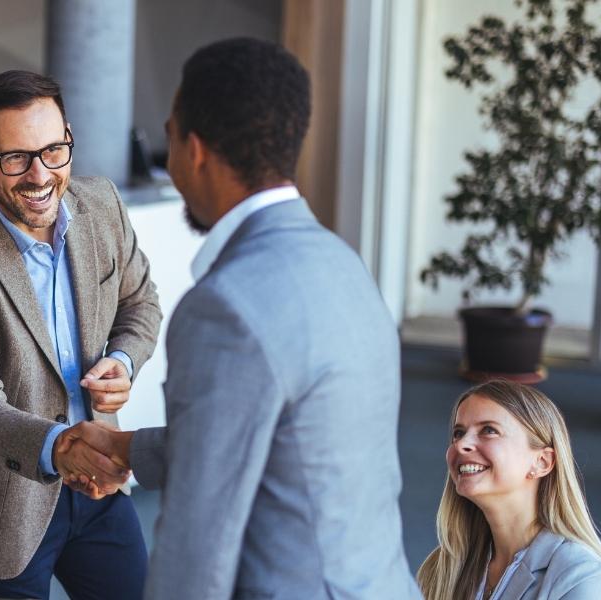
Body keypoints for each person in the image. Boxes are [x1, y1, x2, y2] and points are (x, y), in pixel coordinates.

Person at [59, 38, 421, 598]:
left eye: (171, 135)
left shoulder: (223, 308)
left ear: (196, 150)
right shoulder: (343, 262)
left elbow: (197, 543)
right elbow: (282, 443)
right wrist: (128, 448)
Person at [0, 69, 162, 598]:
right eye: (16, 158)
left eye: (53, 150)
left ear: (68, 136)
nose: (40, 174)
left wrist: (122, 360)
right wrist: (61, 444)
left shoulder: (103, 207)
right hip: (1, 504)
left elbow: (140, 302)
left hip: (99, 481)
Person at [416, 381, 601, 599]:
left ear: (541, 462)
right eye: (458, 433)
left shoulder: (584, 578)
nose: (461, 444)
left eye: (488, 430)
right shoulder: (441, 568)